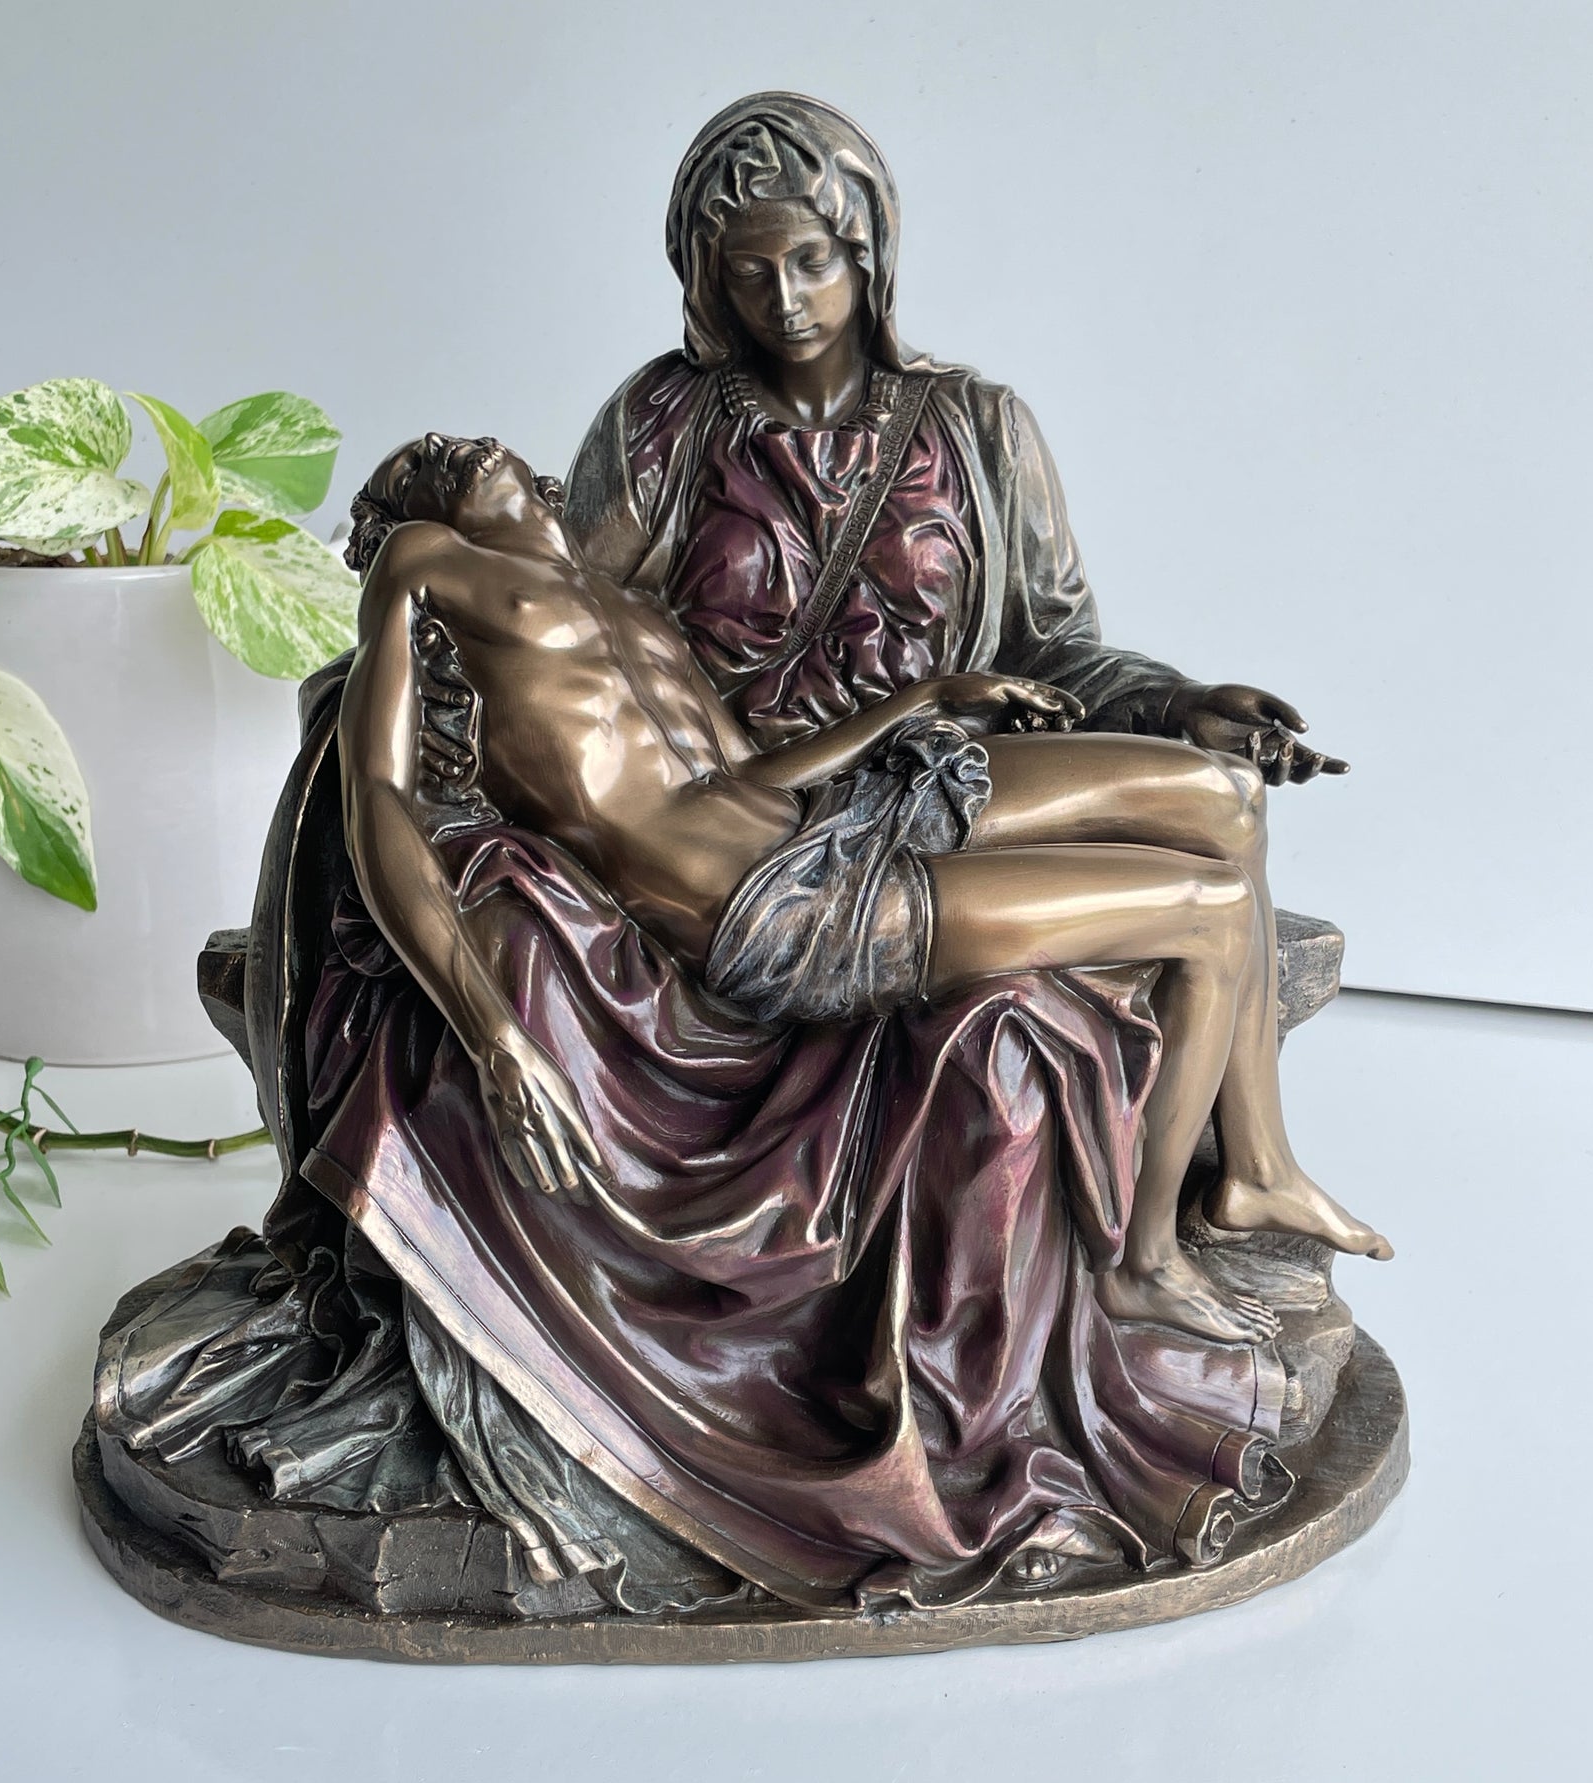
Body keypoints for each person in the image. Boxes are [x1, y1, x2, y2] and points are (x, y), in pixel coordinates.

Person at [341, 432, 1388, 1354]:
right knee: (1208, 910)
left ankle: (1257, 1166)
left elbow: (749, 774)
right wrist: (494, 1034)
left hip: (827, 817)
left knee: (1226, 796)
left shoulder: (630, 608)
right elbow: (378, 800)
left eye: (446, 440)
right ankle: (1142, 1262)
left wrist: (922, 701)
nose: (443, 447)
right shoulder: (425, 562)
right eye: (414, 467)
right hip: (769, 909)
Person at [564, 93, 1370, 1274]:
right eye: (749, 271)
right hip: (773, 807)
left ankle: (1254, 1167)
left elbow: (1057, 648)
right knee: (1206, 837)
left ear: (868, 252)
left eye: (812, 260)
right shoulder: (664, 426)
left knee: (1227, 792)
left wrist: (1181, 705)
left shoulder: (978, 428)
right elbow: (559, 624)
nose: (786, 299)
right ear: (705, 278)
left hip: (945, 767)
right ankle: (1204, 1206)